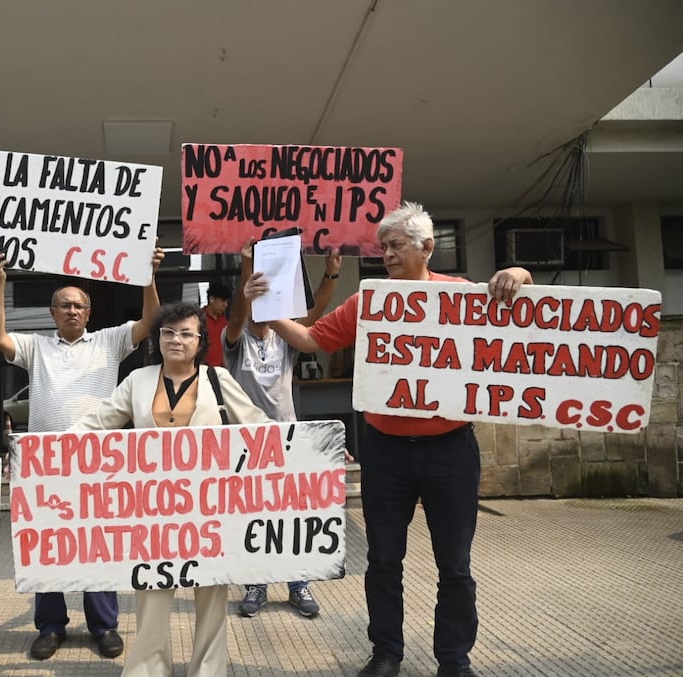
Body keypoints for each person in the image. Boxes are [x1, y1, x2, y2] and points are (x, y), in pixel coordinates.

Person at [249, 203, 533, 677]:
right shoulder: (367, 302)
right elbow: (310, 340)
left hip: (451, 450)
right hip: (386, 451)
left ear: (427, 247)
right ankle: (386, 653)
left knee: (456, 566)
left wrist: (519, 272)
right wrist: (268, 308)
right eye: (382, 246)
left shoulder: (460, 294)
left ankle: (454, 660)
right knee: (383, 560)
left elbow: (526, 310)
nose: (386, 254)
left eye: (396, 244)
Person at [0, 245, 164, 661]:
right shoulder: (36, 348)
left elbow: (150, 323)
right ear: (52, 313)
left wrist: (148, 278)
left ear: (88, 312)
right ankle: (50, 626)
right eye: (63, 305)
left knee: (96, 543)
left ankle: (103, 625)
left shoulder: (109, 341)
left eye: (78, 305)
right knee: (48, 543)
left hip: (97, 463)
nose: (71, 310)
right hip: (46, 466)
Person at [72, 302, 271, 677]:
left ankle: (209, 669)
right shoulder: (138, 381)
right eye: (168, 332)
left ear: (200, 342)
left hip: (210, 506)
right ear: (157, 338)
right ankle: (148, 667)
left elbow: (259, 427)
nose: (175, 340)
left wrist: (312, 445)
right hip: (152, 508)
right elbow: (95, 424)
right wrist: (43, 452)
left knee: (212, 589)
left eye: (185, 334)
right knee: (151, 589)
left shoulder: (218, 380)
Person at [226, 237, 342, 619]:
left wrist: (331, 272)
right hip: (246, 443)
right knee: (252, 516)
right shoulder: (236, 340)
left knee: (291, 515)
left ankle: (297, 584)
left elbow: (317, 312)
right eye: (256, 299)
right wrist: (246, 270)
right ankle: (256, 584)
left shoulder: (285, 339)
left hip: (288, 440)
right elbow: (237, 316)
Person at [202, 282, 232, 367]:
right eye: (222, 301)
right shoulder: (198, 319)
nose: (225, 305)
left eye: (227, 301)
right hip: (202, 369)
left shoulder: (225, 323)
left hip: (222, 369)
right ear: (211, 299)